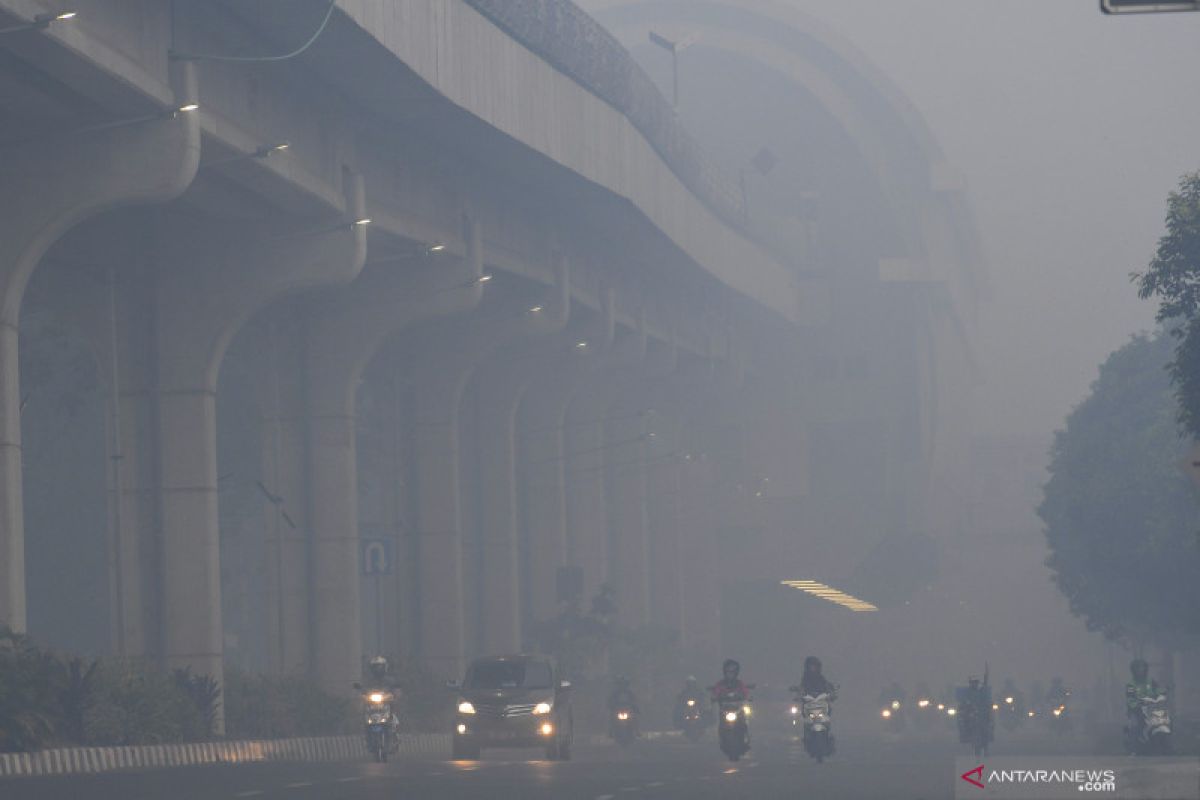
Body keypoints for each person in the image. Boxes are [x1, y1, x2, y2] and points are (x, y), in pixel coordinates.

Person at [1125, 659, 1163, 734]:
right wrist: (1137, 704)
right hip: (1137, 711)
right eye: (1138, 668)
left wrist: (1164, 691)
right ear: (1134, 670)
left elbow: (1158, 691)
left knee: (1164, 722)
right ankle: (1137, 742)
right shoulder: (1131, 685)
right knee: (1136, 728)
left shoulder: (1151, 681)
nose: (1141, 670)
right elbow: (1130, 699)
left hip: (1152, 709)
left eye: (1143, 667)